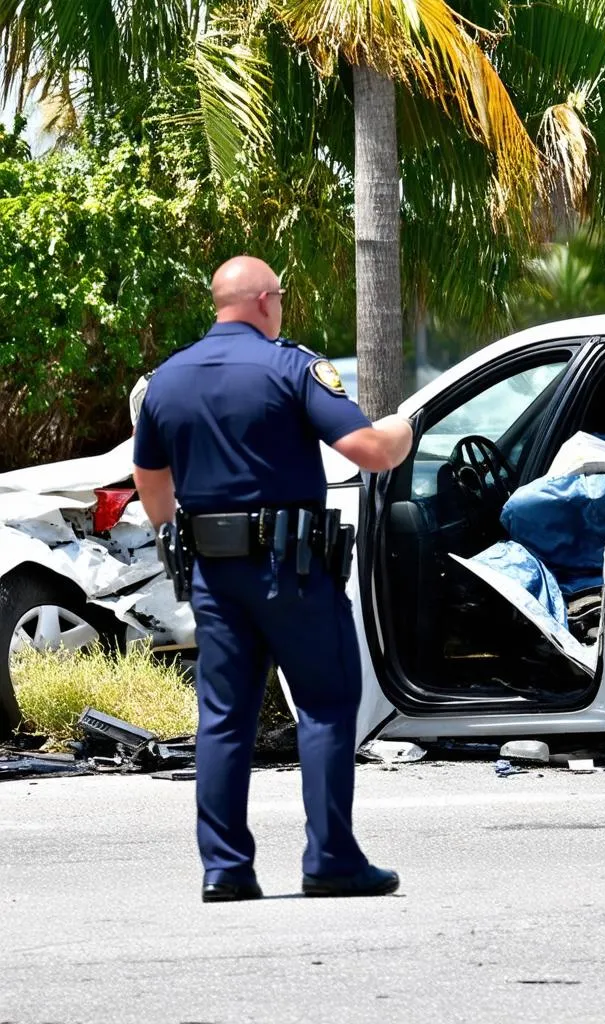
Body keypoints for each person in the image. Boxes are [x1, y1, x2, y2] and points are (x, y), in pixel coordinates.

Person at [132, 256, 413, 903]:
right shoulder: (291, 367)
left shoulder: (168, 380)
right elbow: (367, 451)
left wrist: (180, 531)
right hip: (292, 572)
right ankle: (332, 860)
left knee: (225, 720)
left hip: (212, 574)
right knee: (322, 705)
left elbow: (150, 483)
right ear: (263, 301)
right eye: (280, 297)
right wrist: (401, 430)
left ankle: (225, 869)